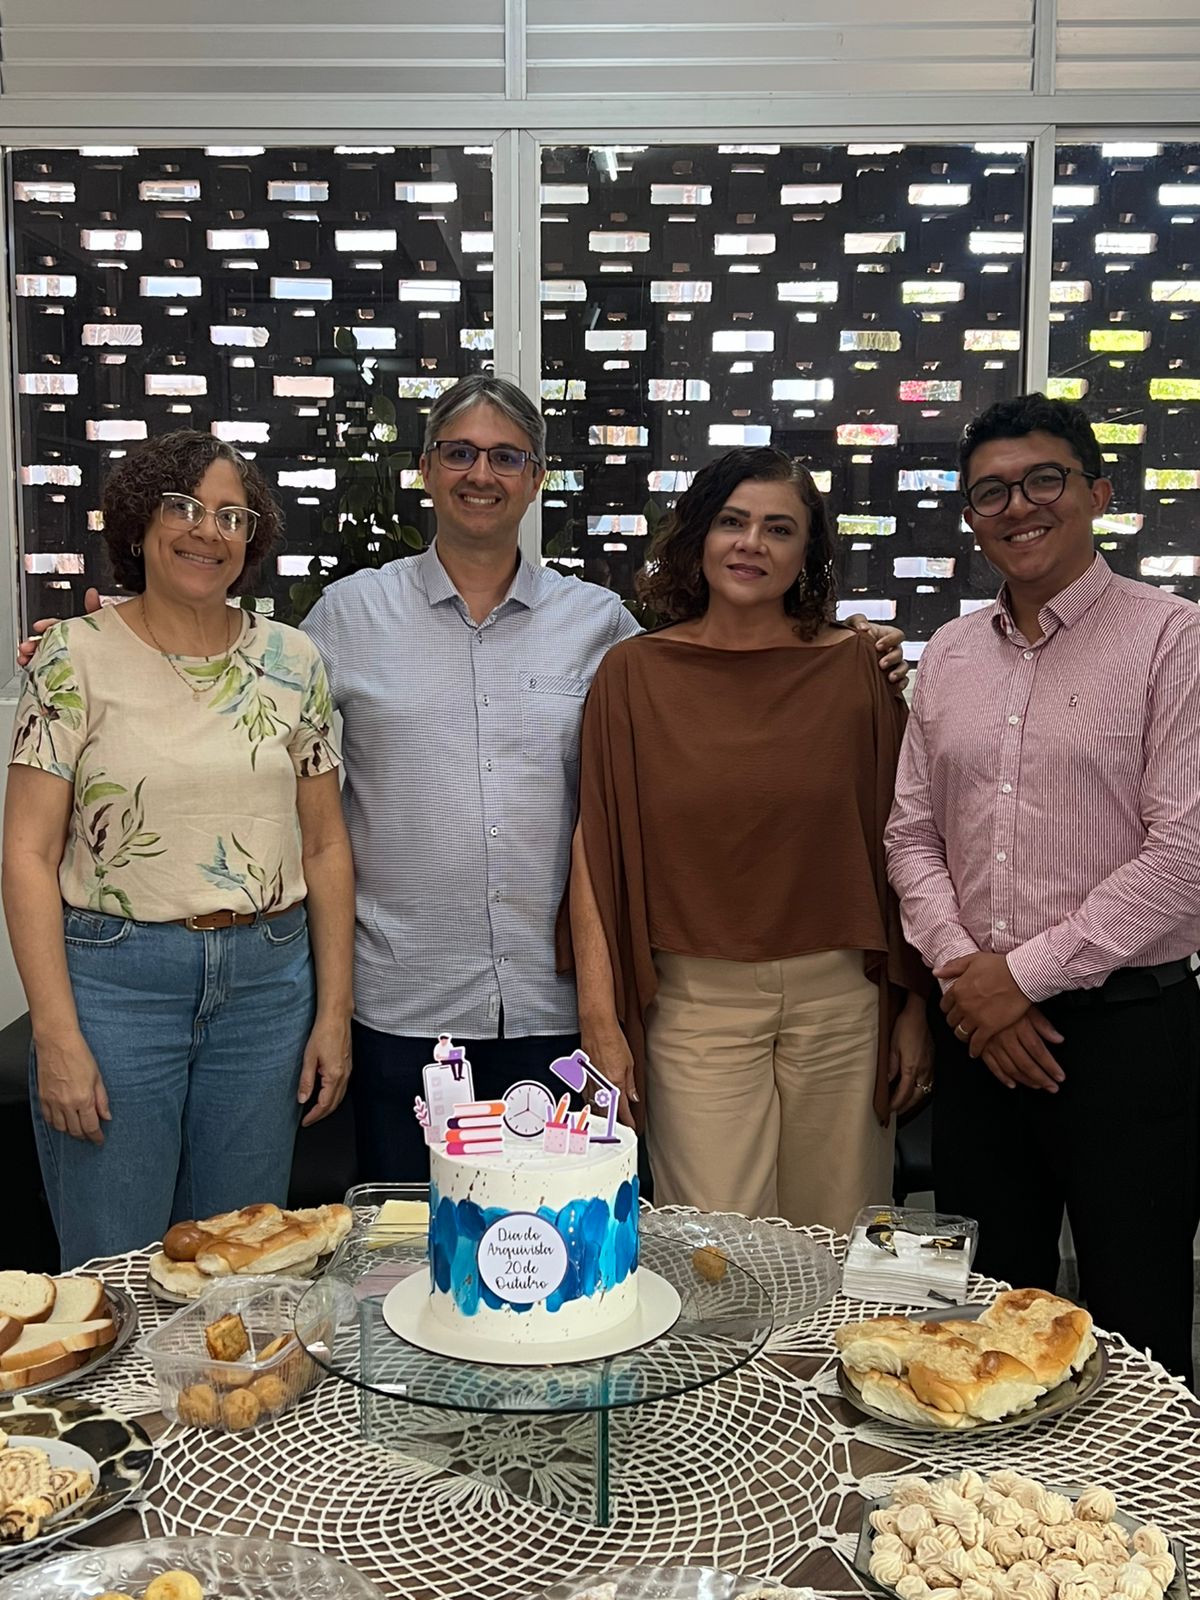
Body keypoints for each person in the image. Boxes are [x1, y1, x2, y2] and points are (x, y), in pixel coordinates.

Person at [19, 376, 910, 1184]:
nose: (481, 473)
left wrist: (854, 646)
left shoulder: (602, 628)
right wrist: (116, 637)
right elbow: (238, 693)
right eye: (459, 453)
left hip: (559, 1009)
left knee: (559, 1251)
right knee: (412, 1255)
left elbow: (718, 699)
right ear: (426, 470)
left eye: (506, 457)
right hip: (403, 1004)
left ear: (536, 479)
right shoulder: (345, 617)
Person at [885, 393, 1200, 1385]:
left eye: (1043, 480)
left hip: (1128, 1037)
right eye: (991, 492)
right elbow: (911, 835)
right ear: (971, 517)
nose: (1018, 506)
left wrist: (1018, 978)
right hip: (977, 1036)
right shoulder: (950, 655)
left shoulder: (1173, 639)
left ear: (1098, 493)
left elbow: (1186, 854)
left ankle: (1142, 1489)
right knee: (983, 1320)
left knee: (1137, 1318)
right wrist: (966, 974)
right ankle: (992, 1486)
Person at [3, 432, 354, 1267]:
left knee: (241, 1263)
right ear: (139, 524)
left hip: (268, 992)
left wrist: (333, 1013)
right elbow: (26, 853)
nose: (207, 531)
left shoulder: (292, 660)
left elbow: (325, 846)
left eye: (232, 516)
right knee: (116, 1266)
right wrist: (56, 1035)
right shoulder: (73, 656)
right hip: (117, 991)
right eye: (184, 507)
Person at [566, 447, 931, 1232]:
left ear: (807, 552)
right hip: (695, 1005)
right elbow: (596, 856)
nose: (752, 545)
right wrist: (600, 1019)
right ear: (699, 534)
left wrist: (914, 1008)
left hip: (844, 1001)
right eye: (733, 522)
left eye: (779, 528)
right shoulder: (632, 676)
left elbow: (906, 848)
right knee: (719, 1252)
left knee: (840, 1243)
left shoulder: (860, 672)